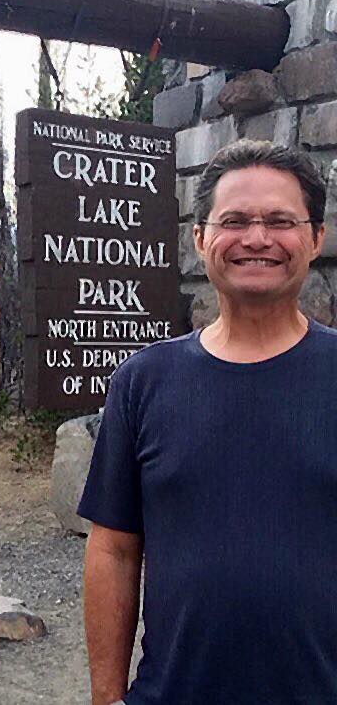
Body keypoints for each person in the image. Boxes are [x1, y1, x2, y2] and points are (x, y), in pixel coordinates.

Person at [78, 139, 337, 704]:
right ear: (200, 239)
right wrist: (106, 698)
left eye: (280, 221)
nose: (257, 238)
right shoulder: (142, 383)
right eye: (235, 220)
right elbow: (114, 550)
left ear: (316, 238)